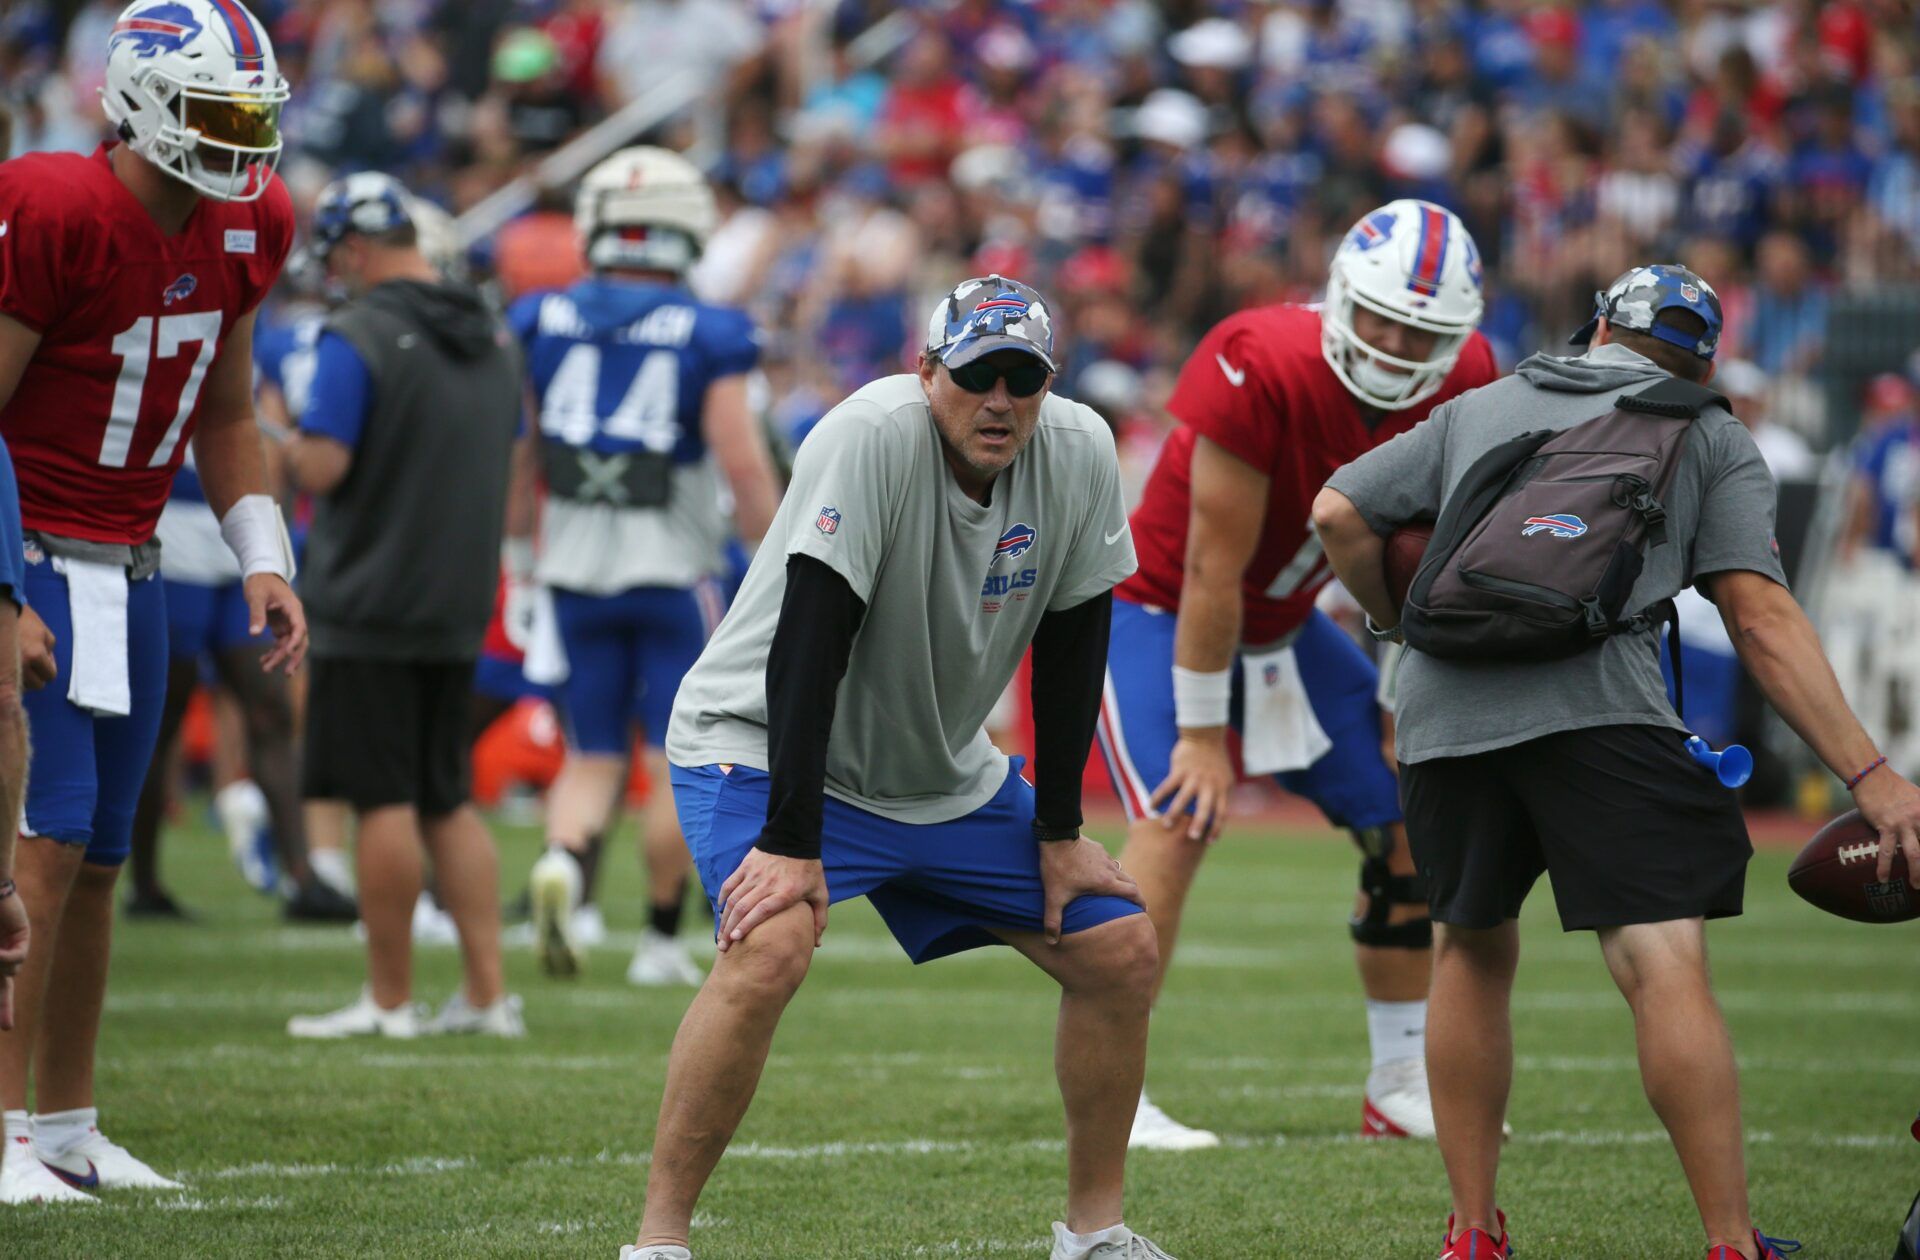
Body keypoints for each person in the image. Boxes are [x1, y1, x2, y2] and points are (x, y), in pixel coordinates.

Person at [1313, 264, 1920, 1260]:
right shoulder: (1711, 431)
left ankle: (1471, 1235)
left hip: (1444, 713)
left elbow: (1339, 513)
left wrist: (1392, 621)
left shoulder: (1487, 402)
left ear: (1597, 326)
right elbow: (1759, 618)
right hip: (1602, 710)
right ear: (1701, 356)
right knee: (1660, 961)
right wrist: (1869, 774)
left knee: (1468, 948)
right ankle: (1730, 1243)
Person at [627, 277, 1173, 1260]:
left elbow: (1076, 642)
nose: (1000, 399)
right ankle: (659, 1243)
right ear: (928, 373)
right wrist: (792, 843)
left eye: (1024, 377)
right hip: (760, 742)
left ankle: (1095, 1237)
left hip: (935, 771)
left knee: (1120, 949)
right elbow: (807, 644)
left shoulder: (1084, 448)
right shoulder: (869, 434)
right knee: (769, 944)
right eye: (976, 375)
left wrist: (1059, 833)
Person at [1098, 199, 1497, 1148]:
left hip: (1281, 623)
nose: (1399, 345)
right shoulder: (1259, 358)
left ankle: (1399, 1079)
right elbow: (1209, 569)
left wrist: (1406, 702)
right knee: (1175, 817)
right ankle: (1118, 1090)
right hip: (1154, 608)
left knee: (1407, 820)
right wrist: (1203, 738)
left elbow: (1425, 567)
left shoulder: (1473, 378)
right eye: (1383, 317)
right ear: (1337, 299)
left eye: (1424, 329)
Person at [0, 0, 307, 1204]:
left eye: (253, 117)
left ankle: (66, 1125)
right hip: (34, 553)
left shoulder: (250, 224)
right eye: (214, 113)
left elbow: (225, 414)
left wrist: (262, 555)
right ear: (135, 101)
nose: (237, 145)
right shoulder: (58, 206)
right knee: (48, 838)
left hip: (130, 564)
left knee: (105, 854)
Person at [510, 146, 780, 986]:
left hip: (572, 571)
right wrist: (782, 554)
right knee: (680, 756)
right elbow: (740, 462)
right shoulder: (711, 329)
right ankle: (661, 938)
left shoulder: (538, 316)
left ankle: (563, 861)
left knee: (593, 752)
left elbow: (524, 457)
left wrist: (520, 556)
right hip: (675, 573)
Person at [284, 173, 523, 1041]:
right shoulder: (493, 334)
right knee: (443, 797)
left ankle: (388, 1000)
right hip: (458, 595)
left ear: (353, 247)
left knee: (379, 798)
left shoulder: (359, 334)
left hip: (370, 597)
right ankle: (489, 994)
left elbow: (322, 468)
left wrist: (273, 431)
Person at [126, 440, 357, 922]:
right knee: (160, 718)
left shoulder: (254, 360)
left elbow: (252, 436)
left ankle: (304, 876)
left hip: (239, 553)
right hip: (169, 542)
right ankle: (143, 882)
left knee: (272, 705)